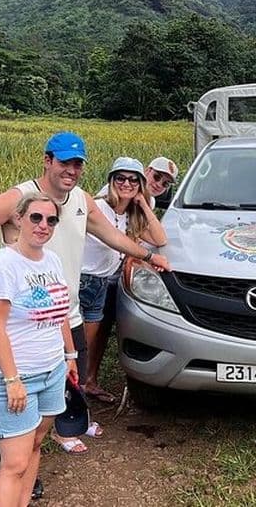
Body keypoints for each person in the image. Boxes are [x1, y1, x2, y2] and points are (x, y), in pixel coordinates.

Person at [0, 131, 171, 461]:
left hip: (67, 318)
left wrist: (151, 257)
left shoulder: (82, 200)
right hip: (22, 327)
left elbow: (113, 237)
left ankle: (26, 461)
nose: (71, 170)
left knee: (58, 397)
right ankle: (5, 462)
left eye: (77, 164)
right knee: (19, 402)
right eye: (64, 162)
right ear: (47, 161)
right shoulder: (21, 197)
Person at [0, 193, 76, 506]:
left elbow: (60, 315)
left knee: (35, 444)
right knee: (14, 463)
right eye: (36, 217)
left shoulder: (52, 260)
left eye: (51, 220)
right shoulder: (2, 266)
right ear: (19, 218)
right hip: (13, 378)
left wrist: (70, 357)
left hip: (51, 371)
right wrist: (12, 380)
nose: (43, 225)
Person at [81, 157, 167, 404]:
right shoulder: (99, 207)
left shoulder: (134, 211)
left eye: (133, 180)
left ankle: (88, 383)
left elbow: (160, 238)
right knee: (81, 341)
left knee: (101, 333)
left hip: (110, 279)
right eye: (120, 178)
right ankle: (73, 394)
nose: (126, 184)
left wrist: (143, 203)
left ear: (140, 183)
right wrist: (149, 257)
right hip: (87, 279)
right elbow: (115, 240)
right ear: (111, 181)